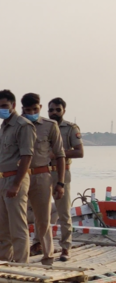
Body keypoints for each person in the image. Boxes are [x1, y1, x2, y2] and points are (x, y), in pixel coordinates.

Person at [0, 89, 36, 263]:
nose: (1, 109)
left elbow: (26, 157)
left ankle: (21, 263)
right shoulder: (4, 126)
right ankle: (3, 260)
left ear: (13, 105)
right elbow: (0, 157)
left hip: (15, 179)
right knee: (4, 226)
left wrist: (16, 184)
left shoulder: (23, 126)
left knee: (18, 225)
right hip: (0, 179)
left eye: (4, 106)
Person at [20, 93, 65, 266]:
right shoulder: (16, 125)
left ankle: (48, 258)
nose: (32, 112)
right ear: (22, 109)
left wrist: (60, 183)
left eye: (35, 108)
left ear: (40, 107)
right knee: (18, 219)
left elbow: (60, 155)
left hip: (41, 176)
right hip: (18, 177)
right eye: (28, 109)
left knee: (43, 219)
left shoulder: (50, 126)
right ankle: (20, 258)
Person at [47, 97, 84, 261]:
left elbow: (79, 152)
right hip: (42, 173)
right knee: (41, 212)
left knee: (63, 212)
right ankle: (39, 243)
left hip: (61, 173)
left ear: (63, 111)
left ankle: (65, 248)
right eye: (51, 110)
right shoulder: (43, 127)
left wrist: (59, 154)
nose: (54, 113)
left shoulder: (70, 128)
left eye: (57, 110)